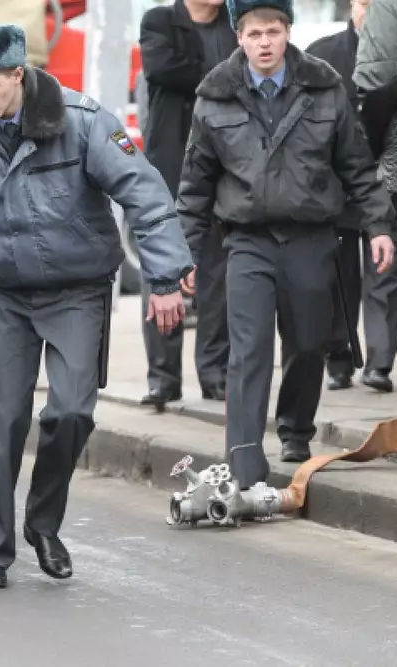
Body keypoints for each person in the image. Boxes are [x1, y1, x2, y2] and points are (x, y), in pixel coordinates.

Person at [0, 23, 194, 589]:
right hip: (6, 295)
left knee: (71, 413)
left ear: (18, 74)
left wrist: (166, 276)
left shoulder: (83, 121)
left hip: (78, 289)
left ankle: (42, 523)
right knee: (0, 426)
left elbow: (144, 193)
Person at [177, 0, 395, 487]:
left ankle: (296, 429)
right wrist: (182, 256)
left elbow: (357, 167)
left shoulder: (324, 87)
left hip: (311, 239)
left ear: (288, 32)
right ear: (239, 37)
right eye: (254, 34)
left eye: (273, 32)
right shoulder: (215, 95)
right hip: (247, 242)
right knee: (248, 350)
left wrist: (379, 227)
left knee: (308, 344)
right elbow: (194, 187)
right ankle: (244, 461)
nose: (264, 43)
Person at [138, 0, 235, 407]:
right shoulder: (159, 21)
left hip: (226, 167)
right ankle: (163, 378)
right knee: (164, 270)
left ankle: (215, 374)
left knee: (219, 275)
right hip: (171, 166)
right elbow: (164, 70)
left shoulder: (235, 24)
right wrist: (227, 75)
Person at [308, 0, 397, 393]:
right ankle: (339, 358)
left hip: (388, 178)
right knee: (339, 277)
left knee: (384, 272)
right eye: (365, 2)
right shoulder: (322, 54)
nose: (371, 11)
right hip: (338, 184)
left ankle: (379, 363)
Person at [354, 0, 397, 382]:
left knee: (383, 258)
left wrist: (369, 148)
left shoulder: (388, 5)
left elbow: (378, 82)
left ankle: (379, 361)